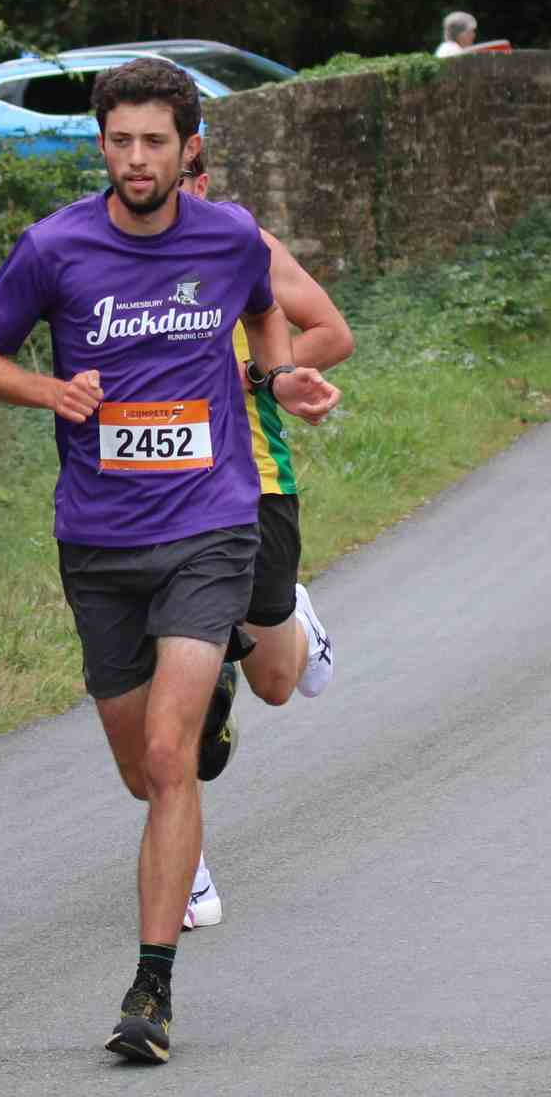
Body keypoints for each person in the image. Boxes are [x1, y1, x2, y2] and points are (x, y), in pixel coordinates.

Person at [0, 58, 340, 1064]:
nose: (136, 158)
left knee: (171, 760)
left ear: (187, 146)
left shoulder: (227, 234)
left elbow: (264, 305)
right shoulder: (54, 247)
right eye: (119, 140)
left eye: (154, 142)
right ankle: (201, 709)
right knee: (143, 770)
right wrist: (52, 393)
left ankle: (151, 991)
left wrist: (279, 374)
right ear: (102, 144)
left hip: (211, 522)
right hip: (98, 540)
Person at [175, 149, 350, 930]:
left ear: (200, 182)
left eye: (173, 173)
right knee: (176, 680)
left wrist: (250, 378)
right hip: (155, 497)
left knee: (276, 681)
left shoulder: (243, 245)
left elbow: (330, 332)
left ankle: (296, 627)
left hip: (254, 484)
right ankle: (186, 866)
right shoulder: (101, 257)